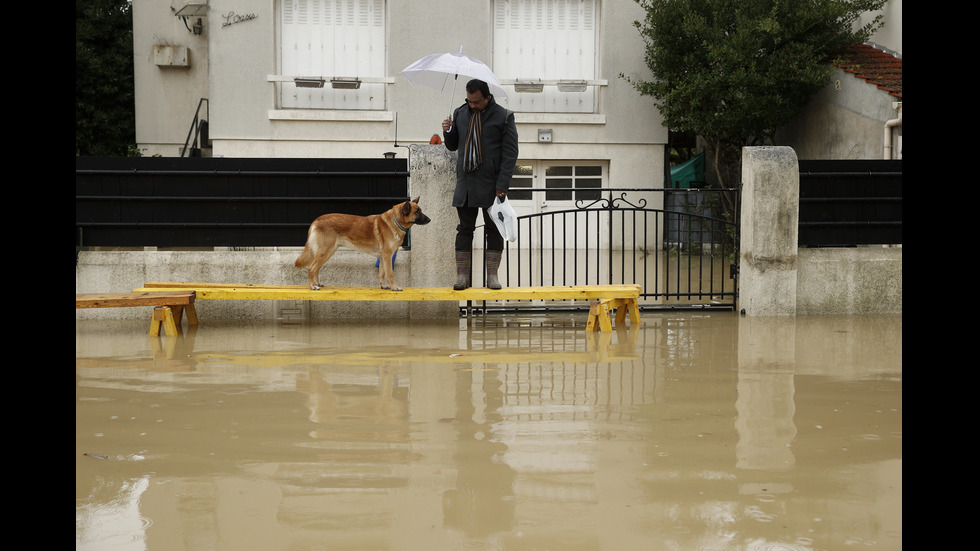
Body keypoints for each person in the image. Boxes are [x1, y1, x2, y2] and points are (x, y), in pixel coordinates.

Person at [441, 79, 519, 290]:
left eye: (476, 102)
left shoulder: (504, 117)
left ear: (487, 97)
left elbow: (511, 154)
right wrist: (448, 131)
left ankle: (492, 277)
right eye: (469, 101)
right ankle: (462, 278)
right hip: (466, 183)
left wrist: (502, 184)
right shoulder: (460, 113)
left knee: (493, 231)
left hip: (492, 184)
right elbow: (452, 145)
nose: (472, 105)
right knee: (464, 230)